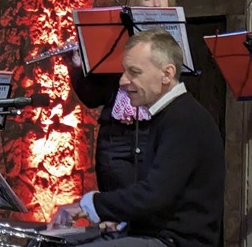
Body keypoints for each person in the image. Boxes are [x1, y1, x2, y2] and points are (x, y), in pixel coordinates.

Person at [51, 28, 225, 246]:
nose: (123, 81)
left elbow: (153, 195)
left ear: (167, 74)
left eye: (134, 72)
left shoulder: (184, 120)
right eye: (125, 71)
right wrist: (119, 219)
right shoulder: (170, 115)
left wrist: (90, 205)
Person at [68, 0, 177, 193]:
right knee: (117, 214)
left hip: (156, 137)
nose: (157, 4)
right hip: (116, 141)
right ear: (137, 1)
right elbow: (93, 98)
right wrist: (78, 66)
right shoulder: (117, 39)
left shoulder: (178, 42)